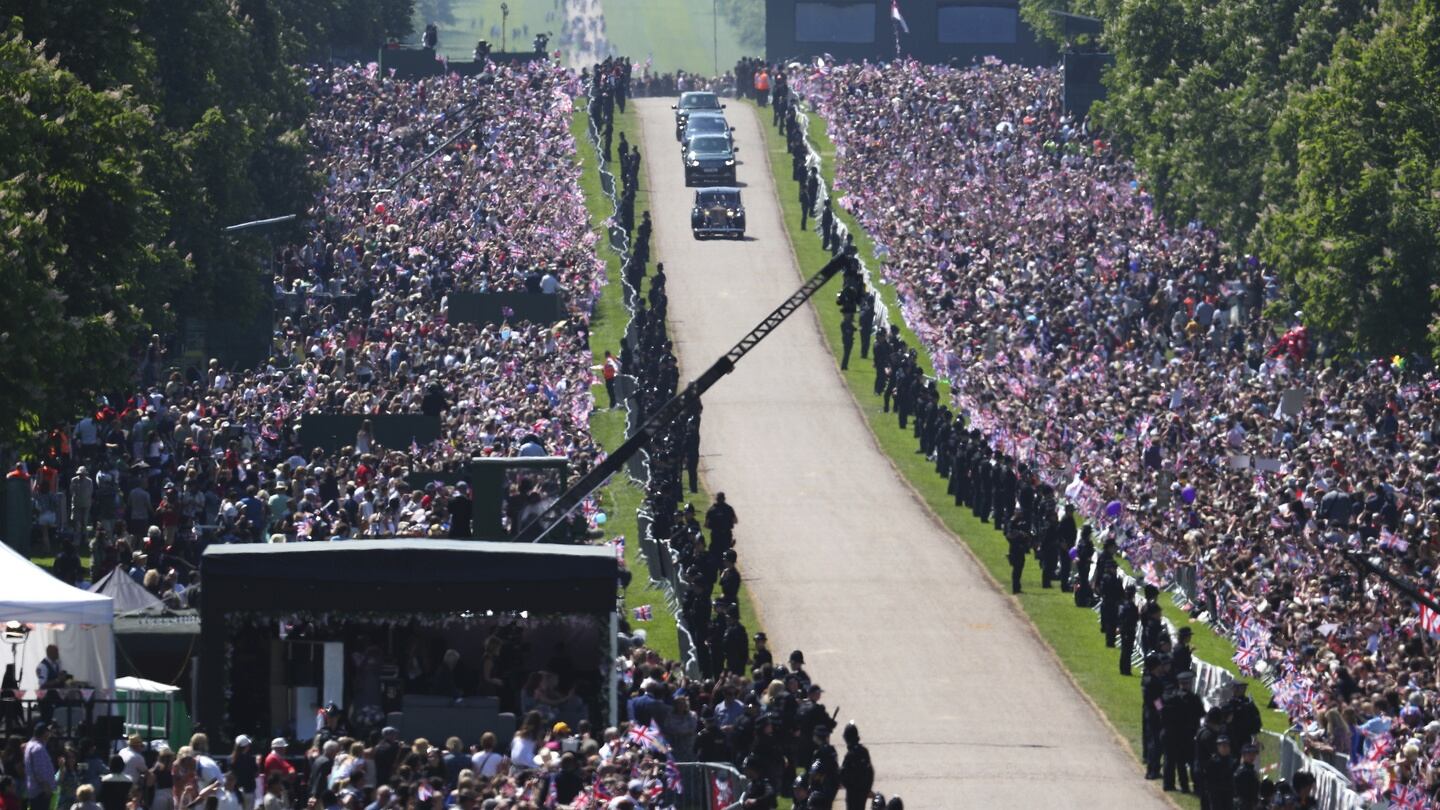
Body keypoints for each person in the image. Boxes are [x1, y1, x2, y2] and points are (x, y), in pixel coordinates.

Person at [838, 724, 873, 810]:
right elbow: (870, 772)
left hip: (852, 793)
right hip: (862, 793)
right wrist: (867, 789)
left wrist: (847, 786)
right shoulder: (864, 751)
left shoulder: (850, 755)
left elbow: (843, 774)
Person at [22, 723, 55, 810]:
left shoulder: (29, 745)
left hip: (34, 790)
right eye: (49, 732)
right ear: (45, 733)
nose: (50, 735)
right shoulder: (38, 748)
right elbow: (39, 771)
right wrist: (46, 788)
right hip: (41, 792)